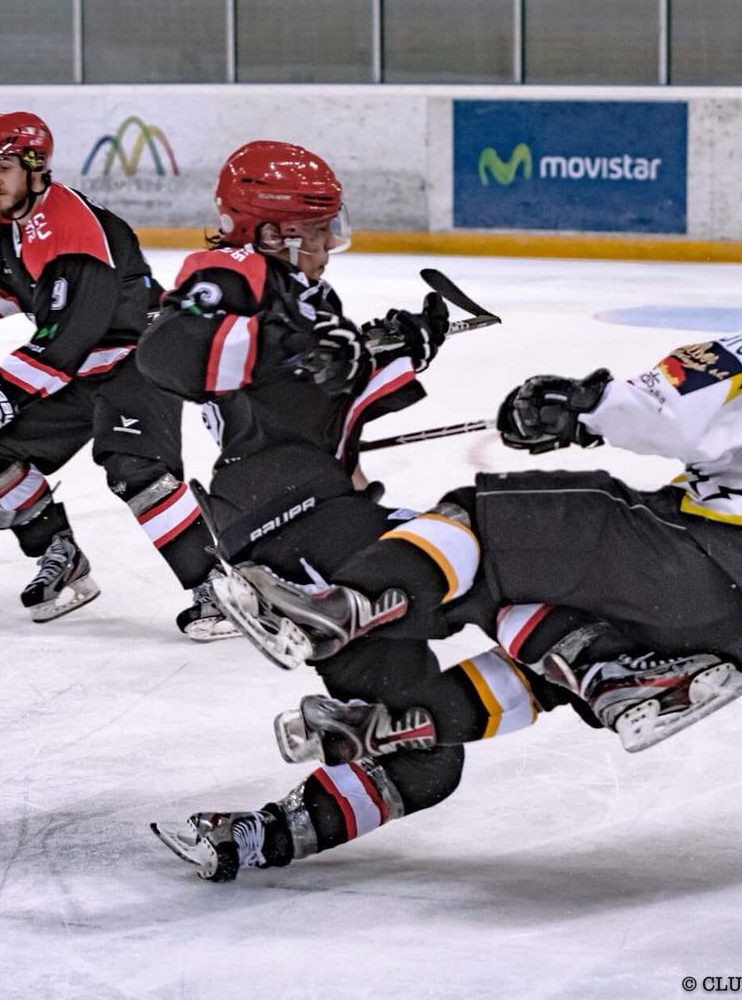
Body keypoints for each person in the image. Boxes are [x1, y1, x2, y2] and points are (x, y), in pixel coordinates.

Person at [199, 242, 742, 871]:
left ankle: (337, 611)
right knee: (543, 638)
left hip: (716, 563)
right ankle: (403, 725)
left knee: (483, 518)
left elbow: (683, 397)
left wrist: (583, 407)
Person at [135, 140, 508, 882]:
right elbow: (168, 352)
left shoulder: (308, 300)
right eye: (315, 231)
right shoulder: (229, 271)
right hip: (284, 513)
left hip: (315, 505)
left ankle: (254, 833)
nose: (328, 247)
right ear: (271, 231)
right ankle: (314, 609)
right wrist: (296, 347)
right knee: (476, 567)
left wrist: (399, 347)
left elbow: (320, 393)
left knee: (428, 763)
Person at [0, 111, 229, 637]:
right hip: (83, 366)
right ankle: (60, 554)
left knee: (134, 466)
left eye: (5, 167)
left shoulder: (74, 230)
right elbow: (5, 279)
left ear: (36, 168)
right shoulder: (1, 221)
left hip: (140, 357)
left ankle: (216, 586)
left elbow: (68, 338)